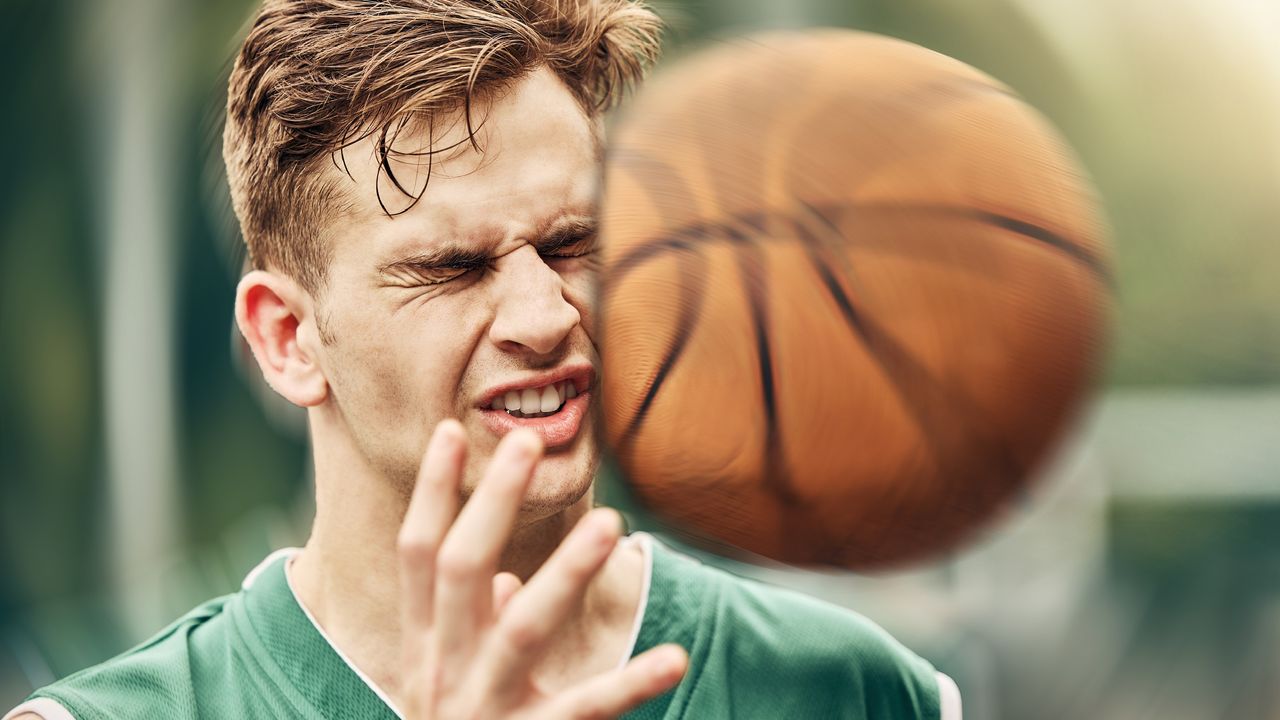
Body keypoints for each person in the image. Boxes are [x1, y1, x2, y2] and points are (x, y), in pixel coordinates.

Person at [5, 1, 962, 718]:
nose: (545, 316)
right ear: (288, 339)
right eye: (451, 268)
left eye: (572, 244)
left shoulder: (854, 688)